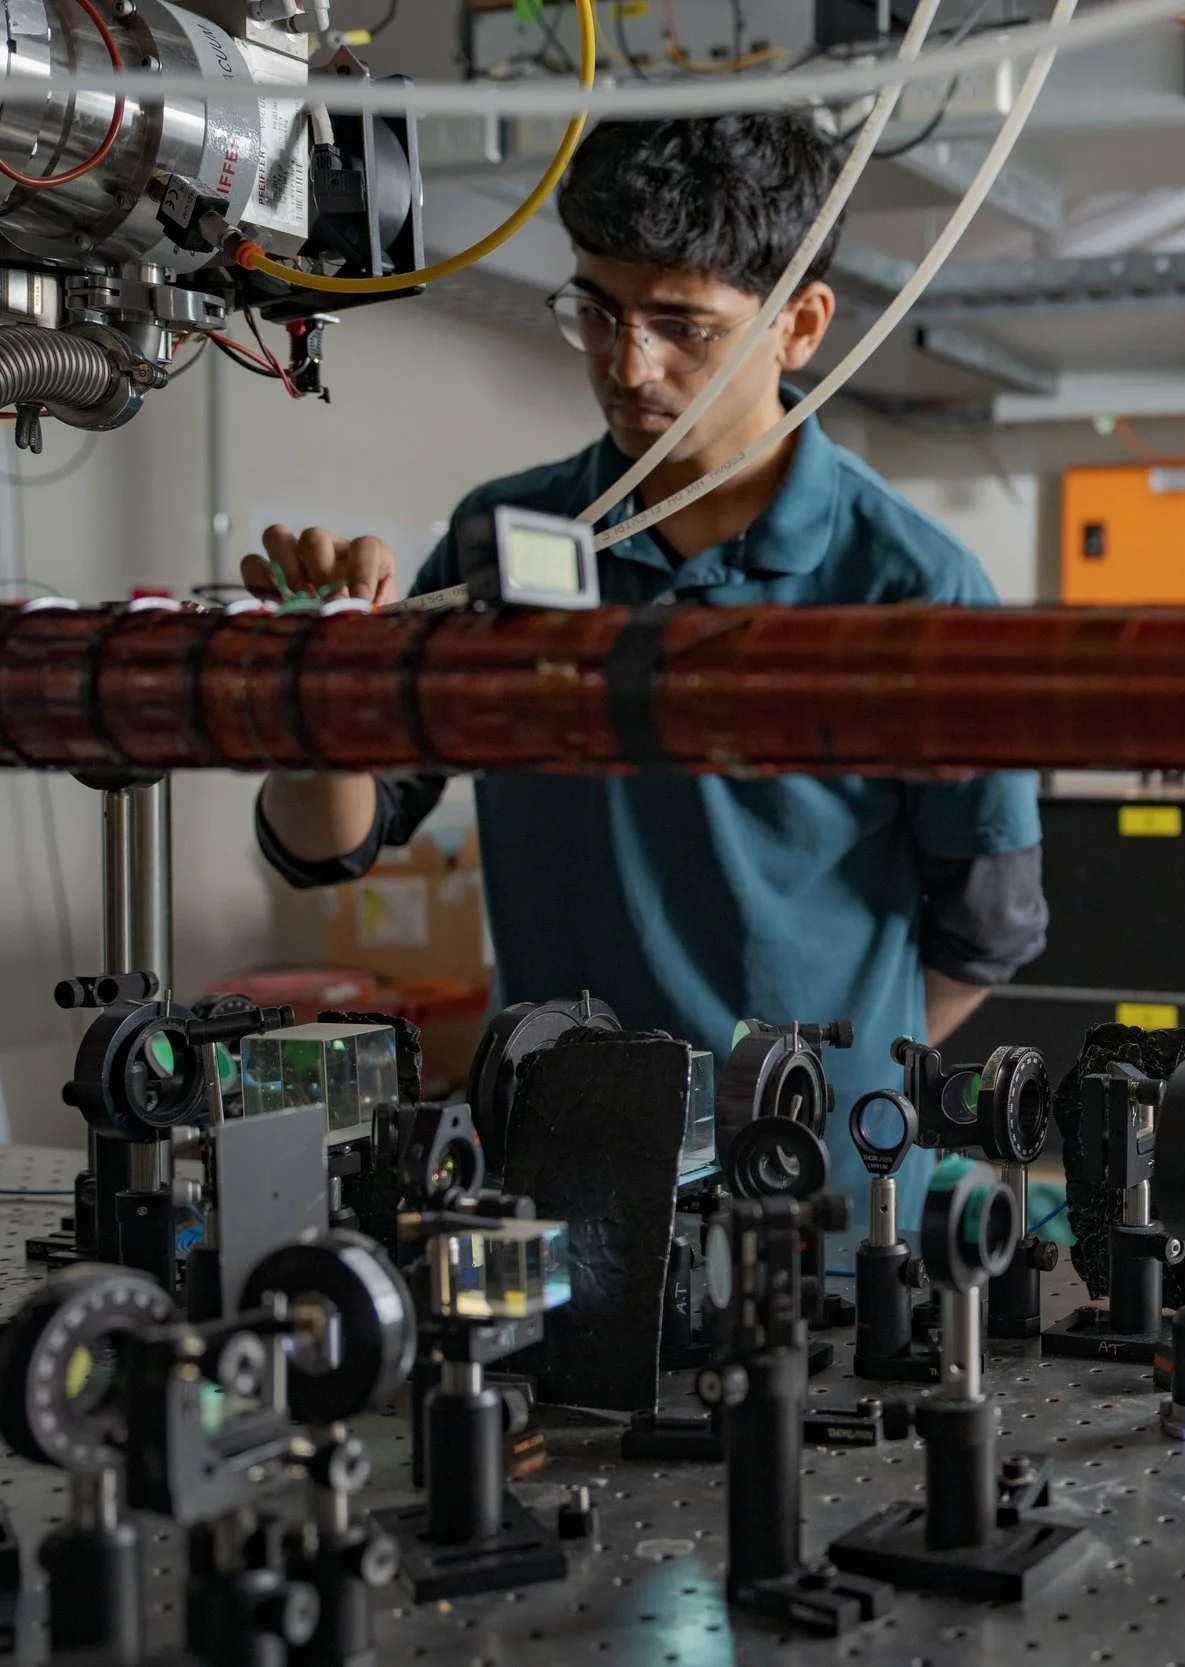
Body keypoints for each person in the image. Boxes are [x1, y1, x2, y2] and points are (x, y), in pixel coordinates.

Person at [249, 114, 1046, 1225]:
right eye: (598, 311)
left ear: (801, 325)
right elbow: (331, 844)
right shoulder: (505, 533)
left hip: (812, 1200)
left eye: (684, 325)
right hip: (560, 1173)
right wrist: (311, 684)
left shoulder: (909, 585)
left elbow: (986, 932)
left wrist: (817, 1089)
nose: (629, 367)